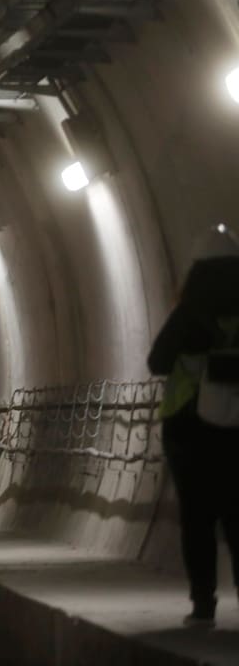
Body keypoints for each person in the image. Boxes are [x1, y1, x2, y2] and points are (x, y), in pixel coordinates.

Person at [147, 223, 239, 627]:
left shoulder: (189, 314)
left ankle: (204, 606)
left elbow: (157, 362)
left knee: (197, 520)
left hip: (188, 428)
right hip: (237, 430)